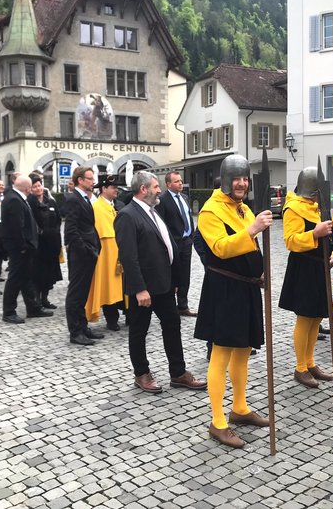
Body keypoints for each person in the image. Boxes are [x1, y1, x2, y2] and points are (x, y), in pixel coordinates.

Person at [194, 155, 273, 449]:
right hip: (224, 288)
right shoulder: (210, 212)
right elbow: (220, 248)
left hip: (246, 288)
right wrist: (253, 229)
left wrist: (261, 268)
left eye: (245, 179)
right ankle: (218, 422)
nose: (242, 183)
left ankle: (239, 408)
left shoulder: (242, 208)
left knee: (243, 350)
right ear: (226, 179)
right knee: (222, 353)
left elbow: (250, 246)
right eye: (237, 178)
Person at [115, 171, 206, 393]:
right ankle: (142, 374)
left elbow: (166, 247)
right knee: (139, 331)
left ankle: (178, 373)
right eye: (156, 186)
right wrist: (139, 289)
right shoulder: (127, 215)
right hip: (144, 290)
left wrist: (174, 280)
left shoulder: (153, 211)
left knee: (172, 326)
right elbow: (129, 256)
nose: (159, 190)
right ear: (143, 189)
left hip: (163, 285)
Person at [278, 166, 333, 389]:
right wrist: (314, 233)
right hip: (304, 268)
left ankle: (310, 362)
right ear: (313, 189)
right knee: (305, 318)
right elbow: (291, 241)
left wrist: (330, 254)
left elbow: (327, 239)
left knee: (316, 318)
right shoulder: (293, 208)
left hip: (319, 268)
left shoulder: (316, 207)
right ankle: (300, 367)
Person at [1, 175, 52, 324]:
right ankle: (9, 311)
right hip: (20, 248)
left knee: (26, 278)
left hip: (24, 247)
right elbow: (16, 227)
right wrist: (23, 247)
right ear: (27, 188)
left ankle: (33, 307)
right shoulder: (14, 200)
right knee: (15, 279)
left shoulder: (15, 197)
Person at [64, 166, 103, 345]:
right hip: (81, 254)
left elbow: (89, 226)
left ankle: (83, 326)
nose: (93, 181)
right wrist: (86, 249)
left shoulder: (85, 199)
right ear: (80, 180)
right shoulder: (73, 199)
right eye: (89, 178)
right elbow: (71, 230)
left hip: (89, 252)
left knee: (83, 293)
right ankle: (76, 332)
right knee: (76, 293)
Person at [86, 175, 125, 331]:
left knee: (122, 286)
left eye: (117, 187)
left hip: (120, 251)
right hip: (107, 253)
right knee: (109, 286)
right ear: (103, 189)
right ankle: (112, 318)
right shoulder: (97, 207)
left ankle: (126, 314)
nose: (116, 190)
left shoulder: (118, 205)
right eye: (113, 187)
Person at [156, 171, 197, 316]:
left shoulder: (185, 197)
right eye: (176, 181)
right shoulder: (162, 200)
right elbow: (161, 224)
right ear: (168, 184)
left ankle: (183, 305)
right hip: (172, 244)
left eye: (180, 181)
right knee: (172, 274)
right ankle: (170, 306)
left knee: (185, 275)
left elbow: (188, 218)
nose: (180, 183)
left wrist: (191, 236)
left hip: (186, 242)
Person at [28, 174, 62, 309]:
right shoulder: (30, 203)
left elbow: (59, 219)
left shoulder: (51, 201)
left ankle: (45, 299)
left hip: (52, 243)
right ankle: (36, 300)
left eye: (39, 185)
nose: (38, 188)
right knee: (38, 273)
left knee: (49, 273)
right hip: (39, 245)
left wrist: (55, 232)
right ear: (30, 189)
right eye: (34, 186)